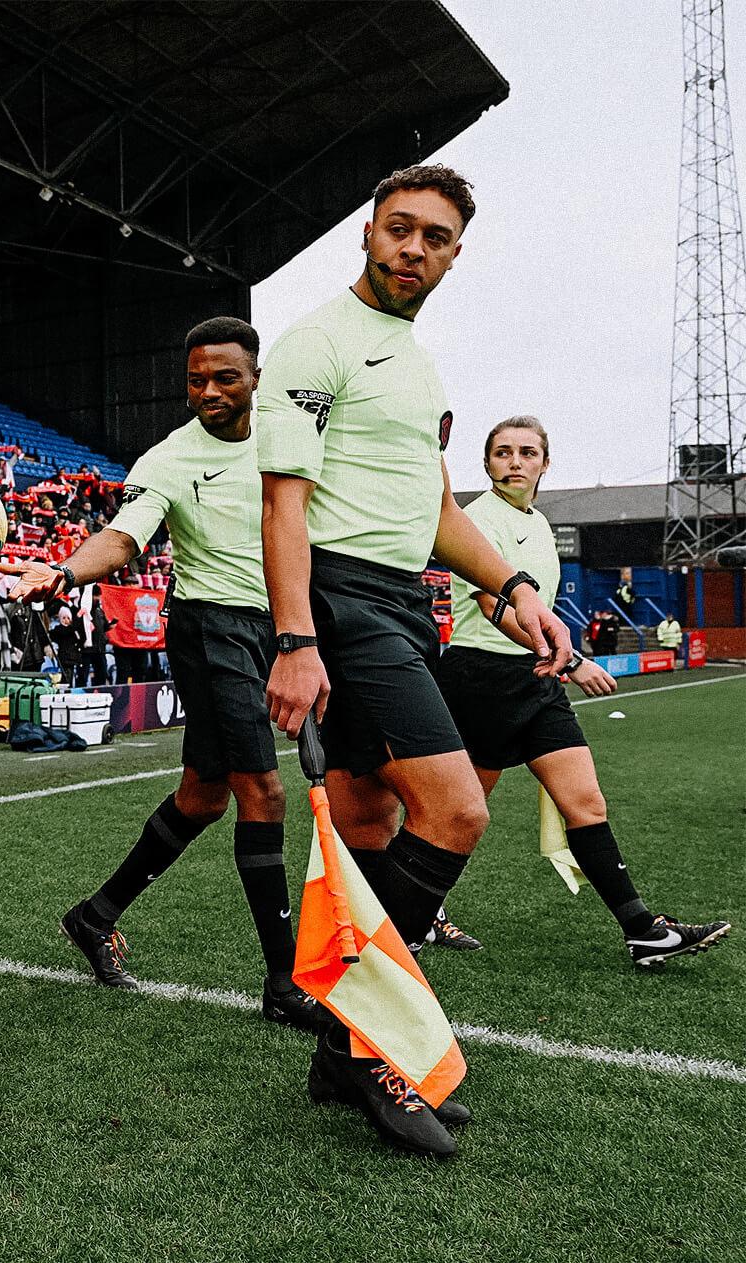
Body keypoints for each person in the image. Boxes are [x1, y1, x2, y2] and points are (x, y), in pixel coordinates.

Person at [256, 164, 572, 1157]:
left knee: (369, 822)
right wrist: (298, 637)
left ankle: (341, 1054)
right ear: (368, 231)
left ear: (454, 253)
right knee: (457, 808)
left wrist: (513, 589)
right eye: (400, 230)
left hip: (400, 597)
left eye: (434, 238)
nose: (413, 250)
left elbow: (437, 514)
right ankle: (367, 1045)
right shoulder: (316, 340)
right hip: (343, 602)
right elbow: (283, 505)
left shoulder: (418, 363)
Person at [2, 318, 323, 1031]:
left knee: (204, 798)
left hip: (275, 629)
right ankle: (284, 981)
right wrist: (62, 569)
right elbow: (123, 537)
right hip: (212, 629)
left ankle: (95, 916)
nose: (208, 391)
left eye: (224, 377)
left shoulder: (290, 438)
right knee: (264, 793)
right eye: (196, 380)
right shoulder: (172, 458)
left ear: (256, 378)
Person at [432, 417, 728, 965]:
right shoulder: (474, 522)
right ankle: (421, 914)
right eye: (502, 452)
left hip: (538, 680)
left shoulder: (540, 524)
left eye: (527, 453)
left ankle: (642, 930)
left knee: (585, 802)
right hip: (483, 681)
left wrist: (556, 663)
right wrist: (571, 662)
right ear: (486, 463)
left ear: (546, 463)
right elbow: (495, 607)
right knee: (458, 813)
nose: (514, 462)